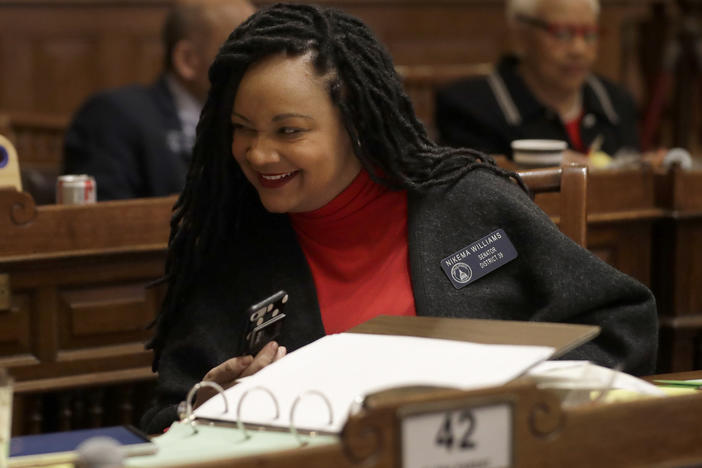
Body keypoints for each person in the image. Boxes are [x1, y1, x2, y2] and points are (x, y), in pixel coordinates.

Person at [140, 3, 658, 433]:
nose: (257, 154)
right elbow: (167, 417)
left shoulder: (467, 203)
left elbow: (621, 321)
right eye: (242, 129)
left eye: (288, 132)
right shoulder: (232, 244)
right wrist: (217, 408)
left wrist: (518, 401)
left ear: (357, 124)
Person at [62, 0, 255, 200]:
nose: (257, 65)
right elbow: (104, 221)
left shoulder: (251, 121)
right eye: (242, 52)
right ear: (188, 60)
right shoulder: (113, 116)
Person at [435, 0, 640, 159]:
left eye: (589, 34)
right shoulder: (469, 108)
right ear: (520, 36)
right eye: (562, 34)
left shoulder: (616, 102)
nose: (578, 50)